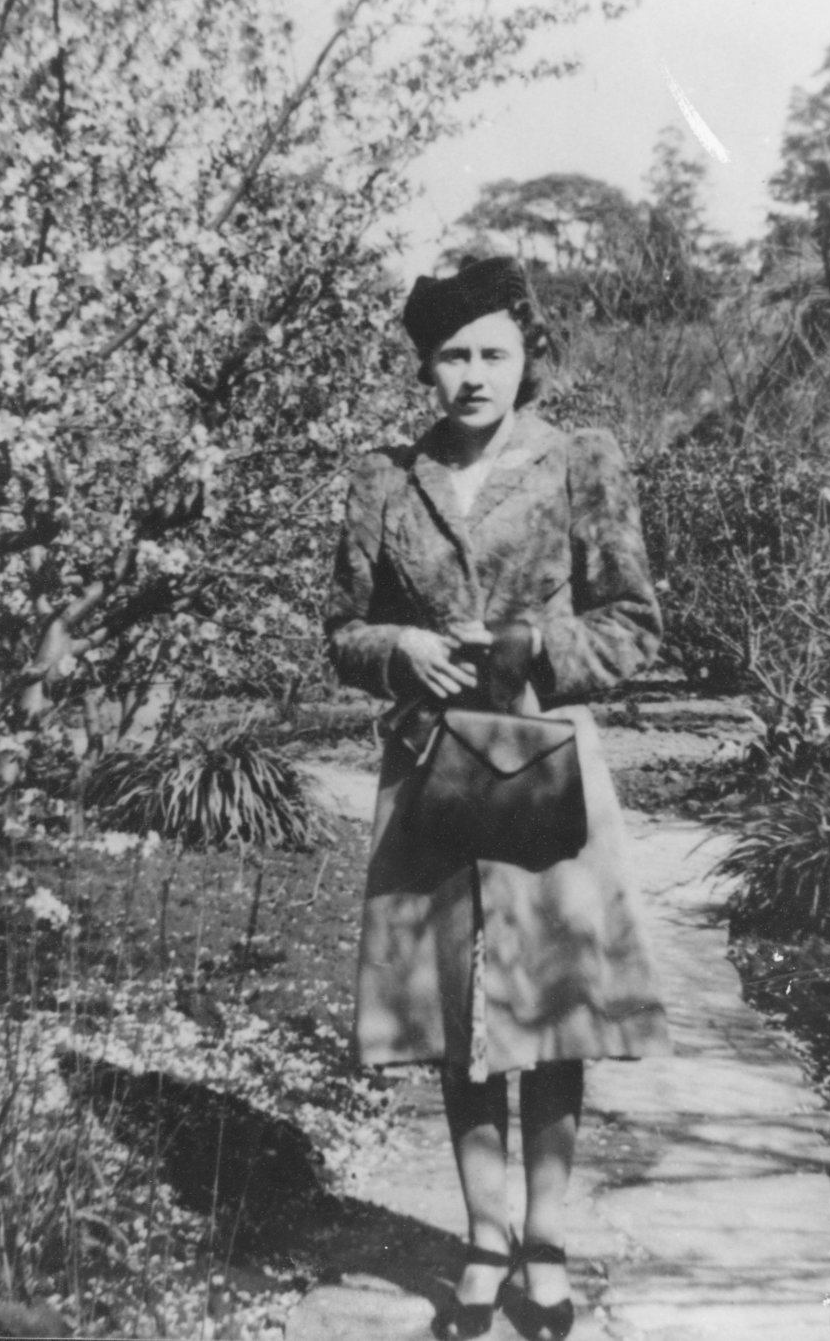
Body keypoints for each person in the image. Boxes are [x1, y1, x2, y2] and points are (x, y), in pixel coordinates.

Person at [324, 256, 668, 1341]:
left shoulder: (580, 459)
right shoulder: (383, 478)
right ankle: (481, 1238)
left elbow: (634, 624)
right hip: (430, 765)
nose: (472, 375)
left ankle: (546, 1237)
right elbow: (339, 629)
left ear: (526, 359)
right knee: (458, 1014)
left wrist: (531, 644)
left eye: (493, 353)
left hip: (542, 762)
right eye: (451, 354)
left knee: (550, 1009)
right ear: (424, 361)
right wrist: (398, 647)